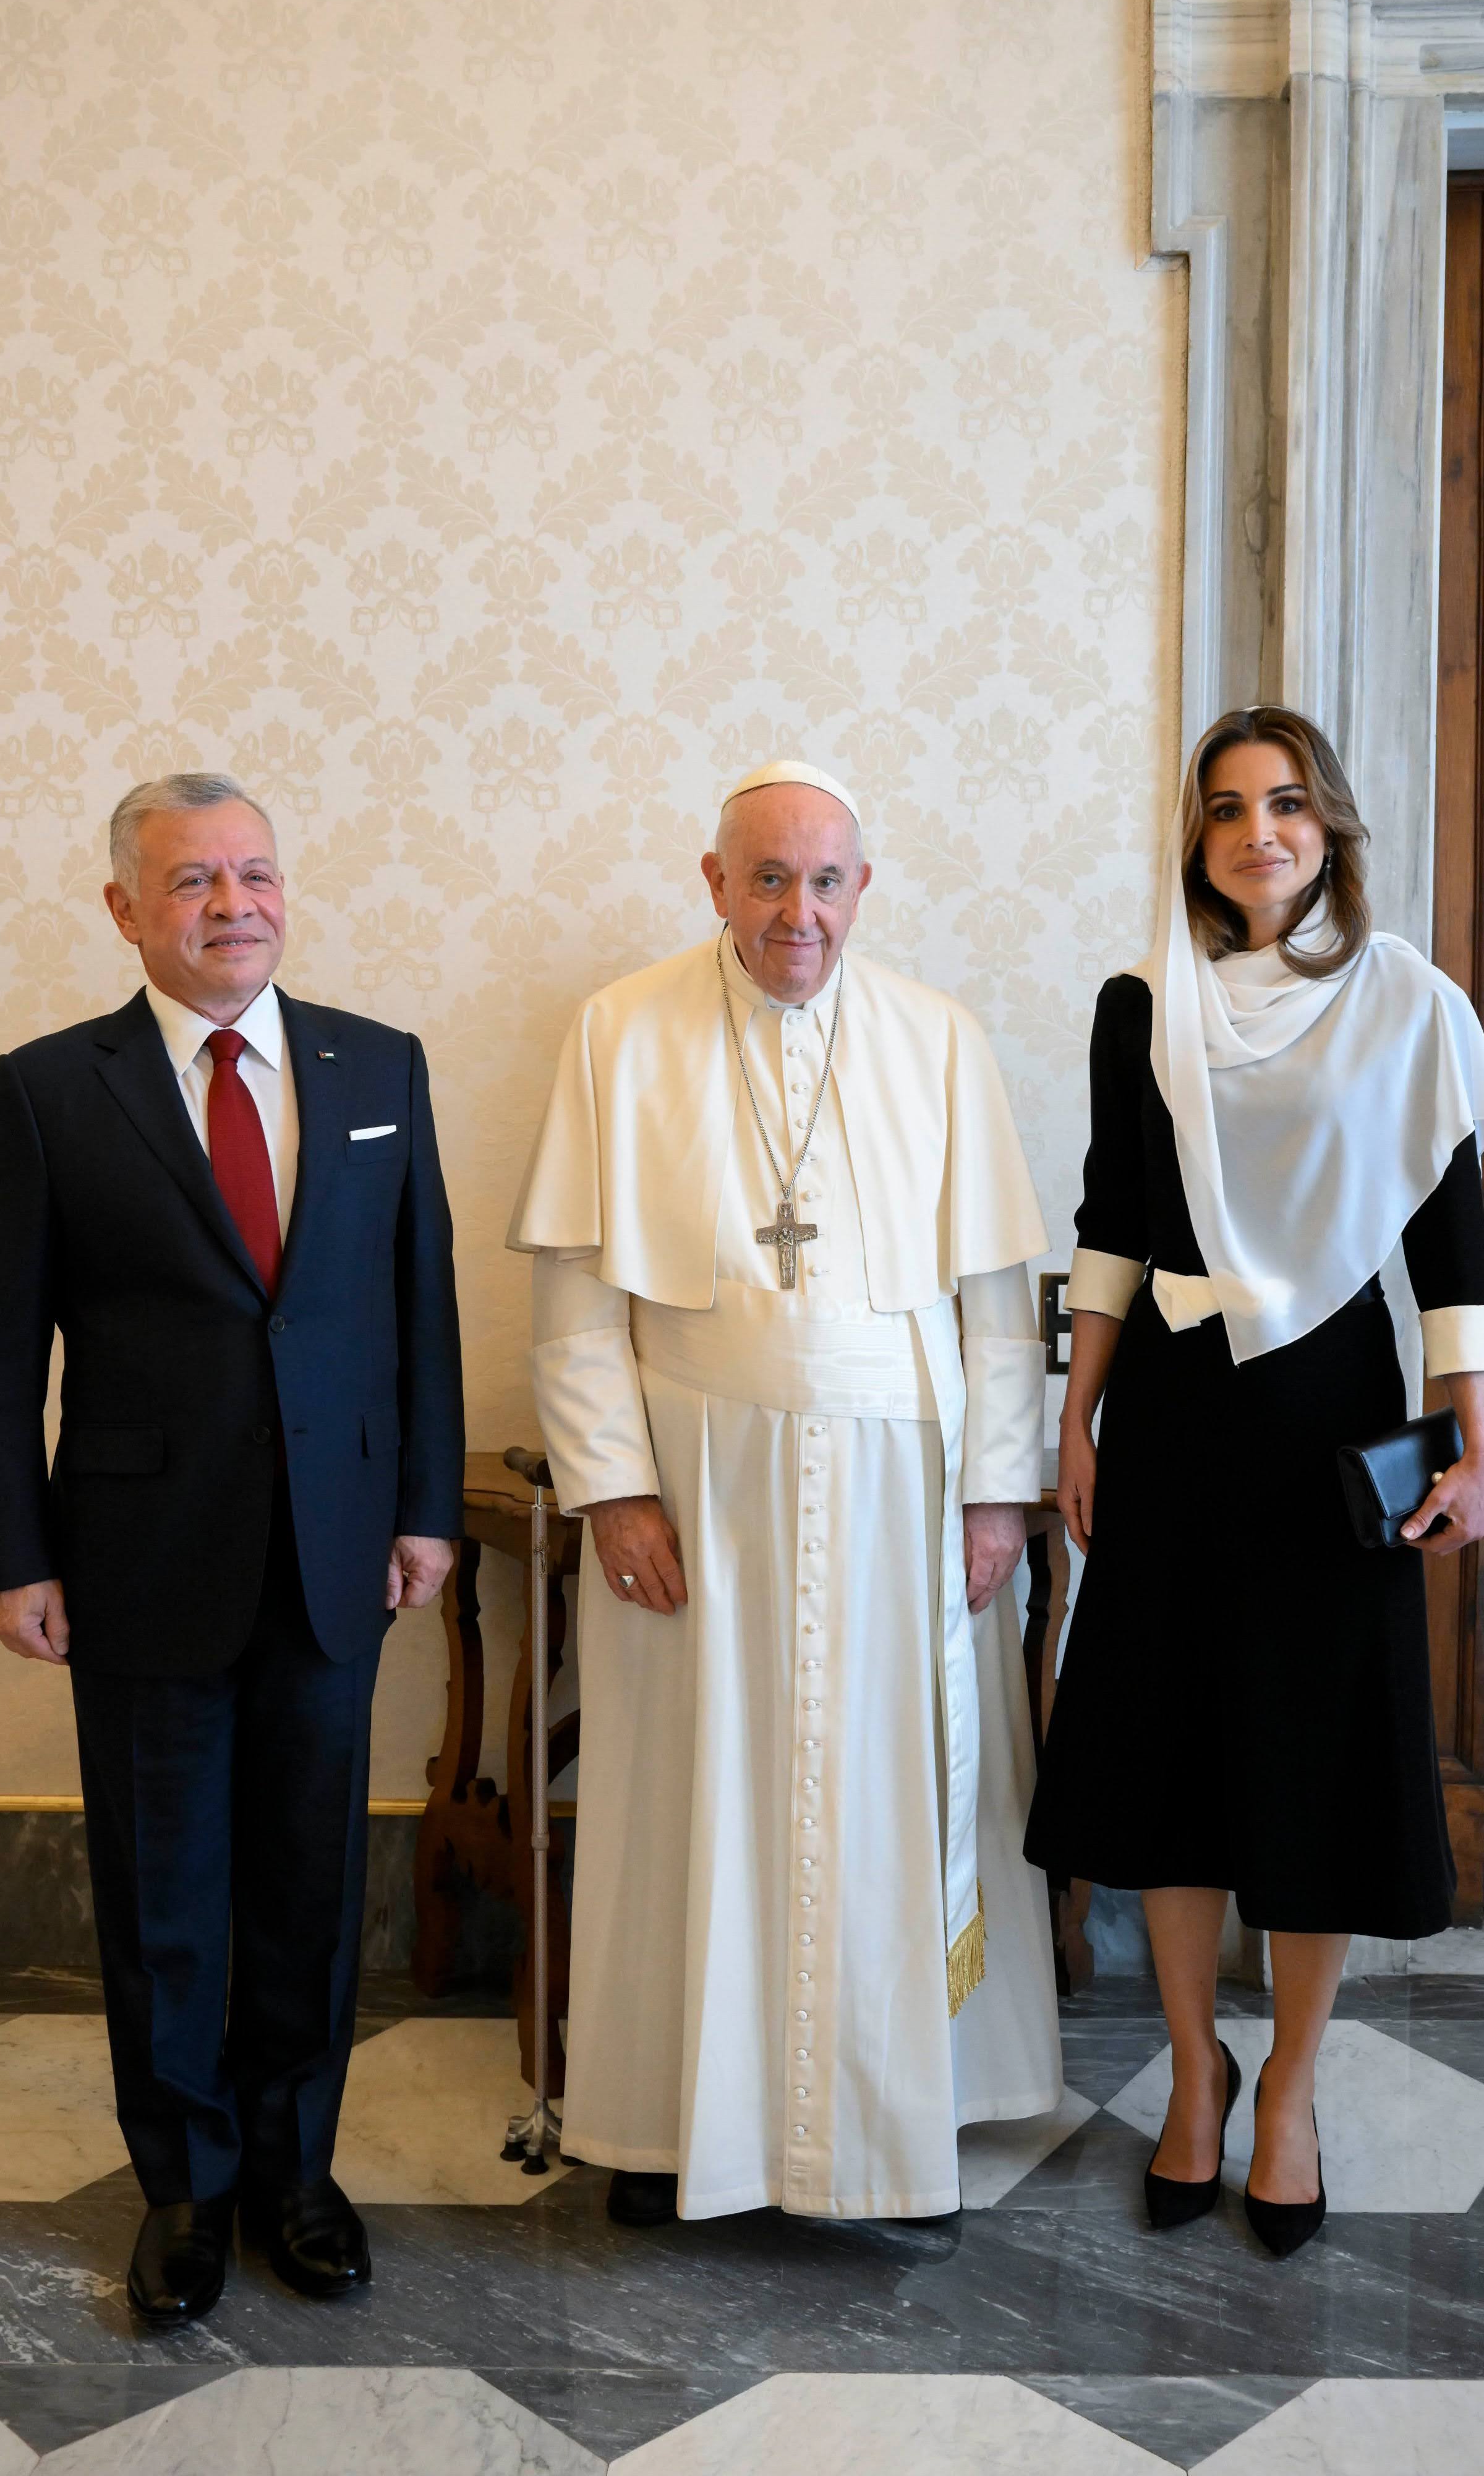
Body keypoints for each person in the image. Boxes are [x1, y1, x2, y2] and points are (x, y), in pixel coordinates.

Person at [508, 758, 1062, 2227]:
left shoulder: (937, 1038)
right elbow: (574, 1295)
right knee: (694, 1792)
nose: (796, 912)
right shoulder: (619, 1032)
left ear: (862, 889)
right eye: (766, 878)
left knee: (894, 1785)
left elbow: (998, 1300)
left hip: (904, 1482)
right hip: (700, 1487)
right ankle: (673, 2118)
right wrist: (613, 1486)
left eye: (824, 880)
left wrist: (996, 1496)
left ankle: (901, 2117)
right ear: (712, 882)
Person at [0, 773, 464, 2324]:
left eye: (255, 873)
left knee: (310, 1883)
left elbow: (417, 1306)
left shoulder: (378, 1065)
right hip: (135, 1554)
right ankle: (183, 2185)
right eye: (191, 882)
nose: (232, 904)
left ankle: (296, 2177)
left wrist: (424, 1505)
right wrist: (9, 1551)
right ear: (125, 908)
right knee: (165, 1890)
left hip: (335, 1550)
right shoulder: (49, 1088)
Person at [1025, 706, 1484, 2258]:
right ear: (1198, 837)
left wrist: (1480, 1422)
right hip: (1169, 1412)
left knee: (1316, 1761)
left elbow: (1445, 1244)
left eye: (1286, 804)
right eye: (1227, 807)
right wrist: (1076, 1414)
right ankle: (1193, 2070)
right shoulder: (1140, 1003)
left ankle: (1288, 2087)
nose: (1258, 832)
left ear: (1329, 828)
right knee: (1169, 1765)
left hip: (1326, 1419)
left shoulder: (1407, 1007)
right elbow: (1110, 1214)